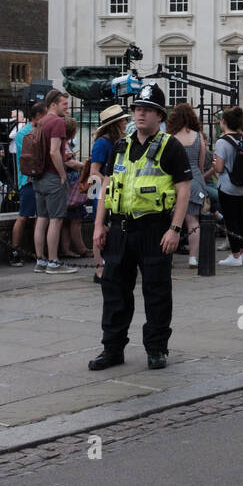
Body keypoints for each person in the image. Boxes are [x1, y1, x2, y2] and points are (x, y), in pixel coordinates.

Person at [89, 81, 192, 372]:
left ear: (160, 116)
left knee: (156, 291)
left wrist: (174, 229)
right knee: (114, 291)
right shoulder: (120, 146)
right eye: (137, 109)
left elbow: (184, 189)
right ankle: (112, 348)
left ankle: (156, 348)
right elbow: (106, 187)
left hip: (154, 229)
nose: (140, 114)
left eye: (147, 110)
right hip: (120, 228)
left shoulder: (170, 147)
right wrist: (99, 225)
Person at [33, 90, 80, 275]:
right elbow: (53, 152)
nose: (67, 108)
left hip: (38, 176)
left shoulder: (41, 122)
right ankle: (53, 262)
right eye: (64, 104)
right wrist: (62, 174)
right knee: (56, 220)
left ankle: (40, 260)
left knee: (42, 219)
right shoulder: (57, 122)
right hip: (52, 177)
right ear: (53, 104)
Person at [165, 103, 210, 267]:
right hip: (195, 180)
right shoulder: (198, 136)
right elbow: (201, 164)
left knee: (169, 221)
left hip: (174, 182)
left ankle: (168, 258)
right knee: (192, 221)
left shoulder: (169, 137)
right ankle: (193, 258)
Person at [88, 104, 129, 282]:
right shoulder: (102, 143)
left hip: (113, 191)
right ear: (116, 124)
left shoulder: (117, 142)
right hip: (100, 191)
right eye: (123, 120)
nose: (126, 123)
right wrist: (111, 180)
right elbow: (94, 171)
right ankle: (99, 269)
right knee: (100, 228)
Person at [214, 107, 243, 267]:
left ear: (223, 122)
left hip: (228, 186)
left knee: (231, 221)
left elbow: (219, 168)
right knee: (242, 218)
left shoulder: (222, 142)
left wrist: (215, 162)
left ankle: (235, 255)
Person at [9, 102, 45, 266]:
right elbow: (28, 158)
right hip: (28, 180)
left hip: (40, 179)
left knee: (40, 216)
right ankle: (14, 250)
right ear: (38, 115)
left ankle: (38, 252)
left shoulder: (40, 131)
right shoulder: (23, 133)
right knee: (23, 216)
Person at [59, 117, 91, 260]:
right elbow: (70, 163)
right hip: (72, 187)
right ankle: (81, 248)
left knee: (67, 220)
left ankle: (66, 249)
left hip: (66, 185)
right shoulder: (64, 145)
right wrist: (85, 166)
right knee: (76, 219)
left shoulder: (61, 143)